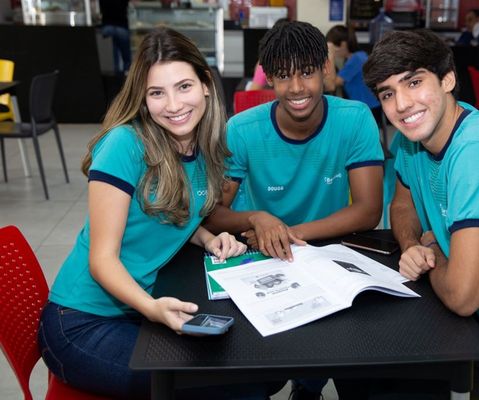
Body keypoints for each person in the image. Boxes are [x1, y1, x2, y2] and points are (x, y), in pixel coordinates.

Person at [37, 27, 283, 399]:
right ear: (143, 98)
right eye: (157, 92)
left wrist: (207, 237)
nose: (172, 105)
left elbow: (176, 210)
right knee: (233, 387)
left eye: (183, 86)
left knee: (261, 371)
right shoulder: (125, 144)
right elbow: (101, 260)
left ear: (205, 84)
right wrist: (152, 309)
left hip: (136, 308)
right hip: (82, 323)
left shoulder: (202, 146)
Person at [334, 29, 479, 399]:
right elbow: (401, 204)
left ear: (448, 79)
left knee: (378, 368)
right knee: (357, 353)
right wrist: (413, 244)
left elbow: (462, 297)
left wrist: (433, 257)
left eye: (414, 82)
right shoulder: (413, 141)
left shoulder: (478, 152)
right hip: (475, 311)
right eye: (388, 93)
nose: (402, 105)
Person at [203, 20, 384, 399]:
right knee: (248, 369)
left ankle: (308, 386)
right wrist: (257, 218)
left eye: (306, 73)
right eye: (284, 76)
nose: (297, 88)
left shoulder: (355, 120)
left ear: (326, 69)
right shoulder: (242, 129)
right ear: (268, 78)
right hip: (260, 257)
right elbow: (214, 213)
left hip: (326, 251)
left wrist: (291, 234)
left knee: (356, 355)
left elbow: (369, 211)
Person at [325, 25, 382, 126]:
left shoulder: (355, 60)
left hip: (368, 110)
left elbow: (332, 85)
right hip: (367, 108)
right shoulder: (358, 56)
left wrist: (331, 55)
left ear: (342, 44)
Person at [99, 0, 132, 75]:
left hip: (107, 26)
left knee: (112, 59)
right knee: (126, 58)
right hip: (121, 26)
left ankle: (114, 80)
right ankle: (127, 79)